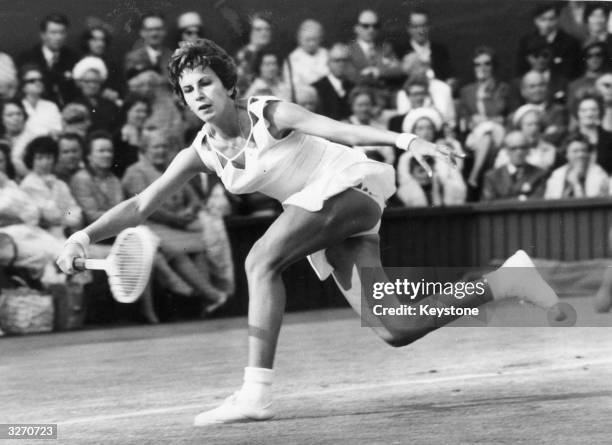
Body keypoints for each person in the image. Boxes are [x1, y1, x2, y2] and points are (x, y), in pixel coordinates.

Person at [56, 39, 561, 426]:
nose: (198, 96)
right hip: (326, 211)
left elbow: (337, 128)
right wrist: (84, 236)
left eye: (206, 83)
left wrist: (406, 140)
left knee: (260, 260)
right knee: (395, 327)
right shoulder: (202, 152)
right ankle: (509, 280)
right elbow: (142, 203)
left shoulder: (268, 113)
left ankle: (255, 393)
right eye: (189, 90)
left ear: (228, 84)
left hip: (351, 188)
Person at [17, 13, 78, 107]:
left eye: (62, 32)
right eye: (53, 33)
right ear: (43, 35)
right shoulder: (27, 57)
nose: (58, 37)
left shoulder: (73, 57)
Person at [516, 2, 581, 80]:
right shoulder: (526, 41)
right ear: (535, 20)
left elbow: (571, 72)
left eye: (551, 19)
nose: (547, 24)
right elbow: (520, 70)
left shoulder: (570, 42)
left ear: (558, 19)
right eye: (542, 19)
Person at [481, 131, 548, 201]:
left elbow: (537, 200)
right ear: (506, 151)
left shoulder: (540, 174)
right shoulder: (492, 176)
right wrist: (521, 199)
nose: (519, 152)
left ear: (528, 150)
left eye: (523, 147)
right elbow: (489, 203)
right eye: (513, 148)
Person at [458, 46, 510, 132]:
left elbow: (502, 114)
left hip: (499, 131)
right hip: (475, 133)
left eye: (487, 64)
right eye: (477, 65)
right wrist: (471, 121)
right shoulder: (466, 91)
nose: (482, 68)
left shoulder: (503, 88)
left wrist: (487, 120)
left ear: (494, 65)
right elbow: (464, 120)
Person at [346, 9, 403, 88]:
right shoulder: (348, 50)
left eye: (375, 26)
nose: (371, 30)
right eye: (365, 26)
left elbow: (399, 70)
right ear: (356, 28)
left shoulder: (385, 47)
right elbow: (350, 75)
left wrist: (378, 71)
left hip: (384, 94)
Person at [544, 133, 609, 199]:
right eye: (575, 151)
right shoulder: (557, 174)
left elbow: (591, 206)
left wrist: (576, 184)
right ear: (567, 154)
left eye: (584, 150)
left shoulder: (599, 174)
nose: (580, 155)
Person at [71, 56, 121, 133]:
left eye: (96, 81)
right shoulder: (73, 105)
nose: (92, 85)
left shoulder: (110, 105)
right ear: (79, 83)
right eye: (88, 81)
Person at [283, 19, 329, 98]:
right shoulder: (292, 59)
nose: (311, 43)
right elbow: (293, 85)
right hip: (305, 98)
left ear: (320, 39)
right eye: (308, 40)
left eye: (314, 39)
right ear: (300, 39)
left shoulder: (327, 54)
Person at [312, 43, 354, 120]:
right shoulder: (316, 88)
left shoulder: (354, 88)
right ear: (328, 63)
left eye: (345, 60)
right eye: (337, 60)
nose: (341, 64)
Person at [112, 95, 151, 177]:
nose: (143, 115)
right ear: (127, 112)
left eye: (145, 111)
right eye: (138, 111)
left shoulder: (147, 134)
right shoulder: (119, 136)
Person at [124, 13, 172, 79]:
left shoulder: (173, 57)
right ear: (142, 32)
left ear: (165, 31)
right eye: (150, 30)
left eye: (158, 29)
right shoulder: (132, 58)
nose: (154, 33)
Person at [20, 64, 63, 137]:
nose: (38, 83)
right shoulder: (18, 106)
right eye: (32, 81)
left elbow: (59, 129)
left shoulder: (51, 106)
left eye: (40, 80)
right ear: (23, 86)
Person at [0, 99, 37, 177]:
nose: (16, 118)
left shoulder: (33, 139)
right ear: (1, 119)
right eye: (10, 115)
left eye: (19, 114)